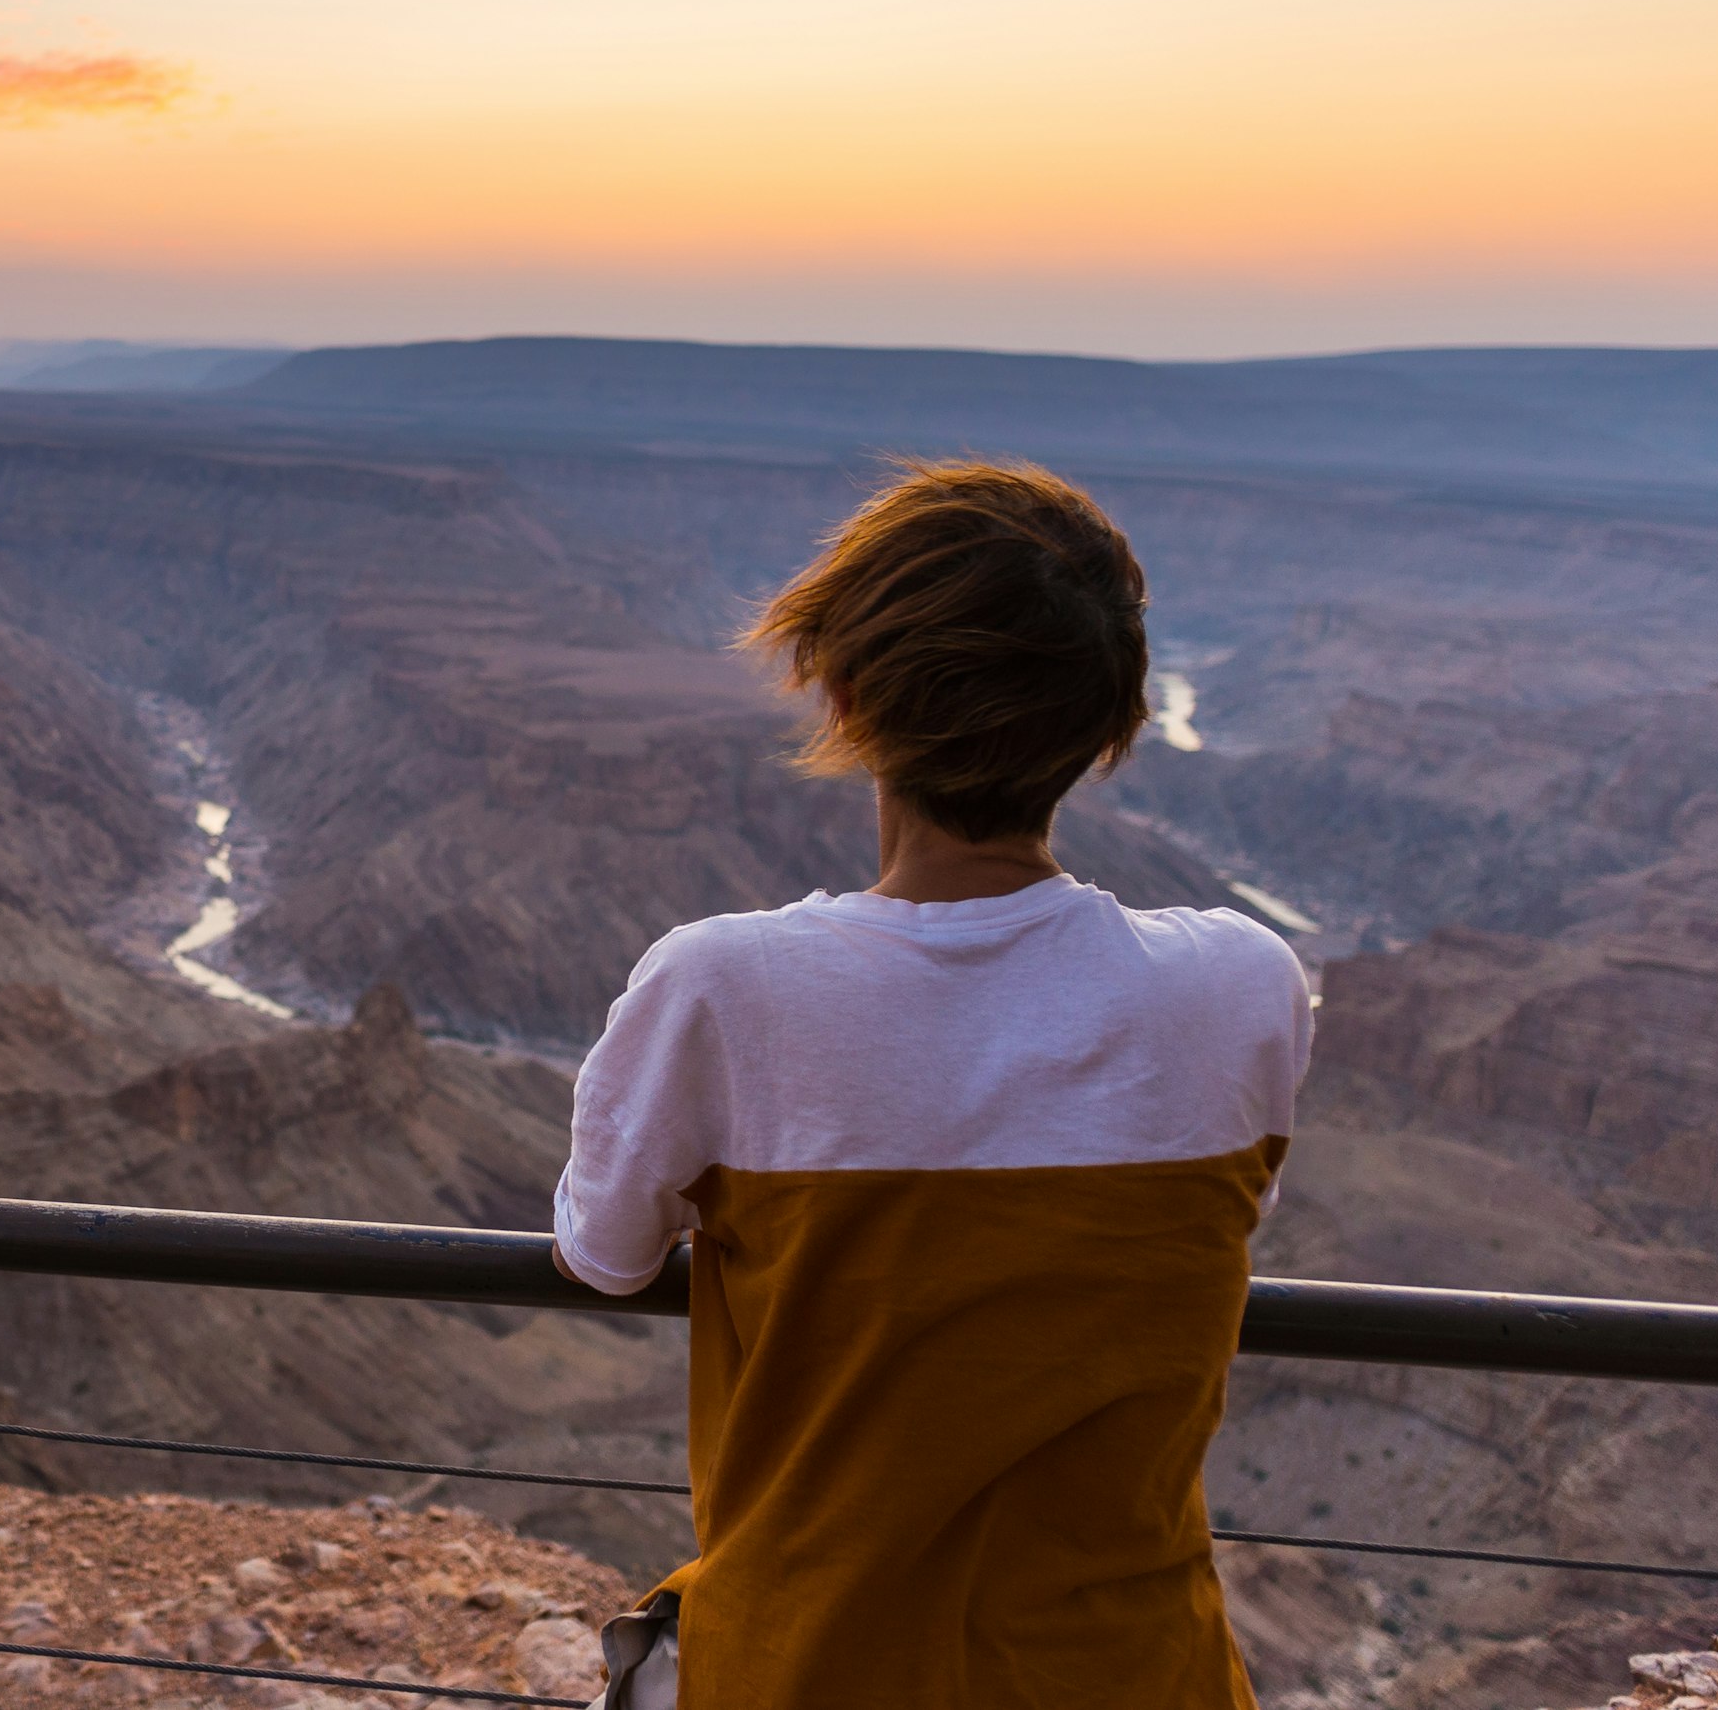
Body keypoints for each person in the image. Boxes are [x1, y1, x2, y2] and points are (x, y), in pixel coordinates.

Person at [555, 460, 1312, 1709]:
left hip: (808, 1670)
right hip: (1139, 1676)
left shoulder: (723, 988)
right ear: (1112, 722)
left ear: (848, 702)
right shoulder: (1243, 985)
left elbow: (607, 1253)